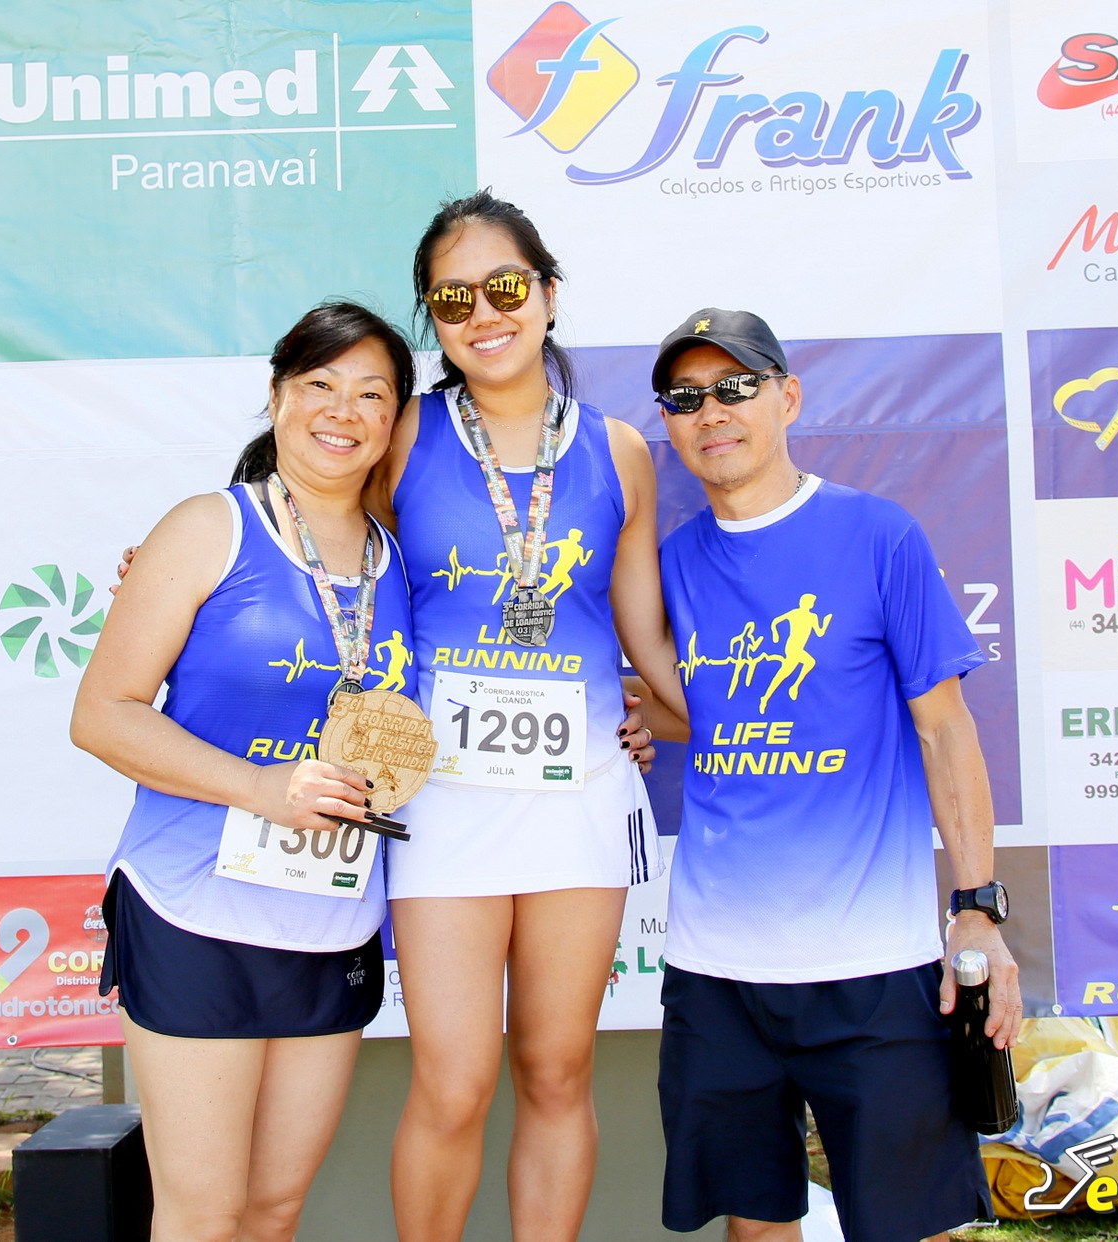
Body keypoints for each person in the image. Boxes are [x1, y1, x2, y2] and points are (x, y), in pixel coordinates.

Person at [648, 307, 1021, 1242]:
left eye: (735, 387)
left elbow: (946, 731)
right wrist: (627, 721)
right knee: (754, 1223)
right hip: (715, 971)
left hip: (874, 965)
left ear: (787, 397)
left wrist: (978, 907)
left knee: (909, 1225)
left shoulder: (878, 535)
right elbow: (686, 707)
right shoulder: (671, 564)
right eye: (686, 398)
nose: (711, 412)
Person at [366, 191, 688, 1241]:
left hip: (577, 795)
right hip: (441, 801)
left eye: (504, 287)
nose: (483, 314)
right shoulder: (403, 434)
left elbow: (643, 634)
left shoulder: (620, 451)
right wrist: (177, 583)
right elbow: (321, 560)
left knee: (556, 1068)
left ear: (547, 293)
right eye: (451, 298)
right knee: (454, 1080)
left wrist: (681, 712)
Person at [70, 302, 417, 1242]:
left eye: (372, 394)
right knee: (204, 1213)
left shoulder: (401, 561)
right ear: (276, 396)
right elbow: (102, 714)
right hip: (196, 911)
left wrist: (627, 720)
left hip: (332, 921)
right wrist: (263, 788)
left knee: (272, 1211)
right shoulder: (209, 527)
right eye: (320, 384)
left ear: (394, 420)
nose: (343, 410)